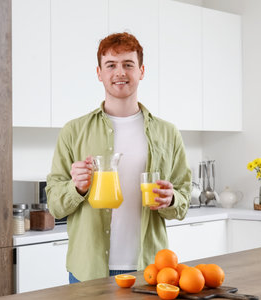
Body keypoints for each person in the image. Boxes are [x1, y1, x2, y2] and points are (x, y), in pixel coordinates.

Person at [46, 32, 191, 283]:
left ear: (141, 71)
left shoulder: (168, 133)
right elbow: (55, 205)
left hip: (150, 268)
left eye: (128, 64)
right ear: (99, 73)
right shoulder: (74, 131)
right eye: (111, 65)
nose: (120, 72)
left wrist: (171, 199)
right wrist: (76, 188)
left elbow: (184, 200)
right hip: (88, 270)